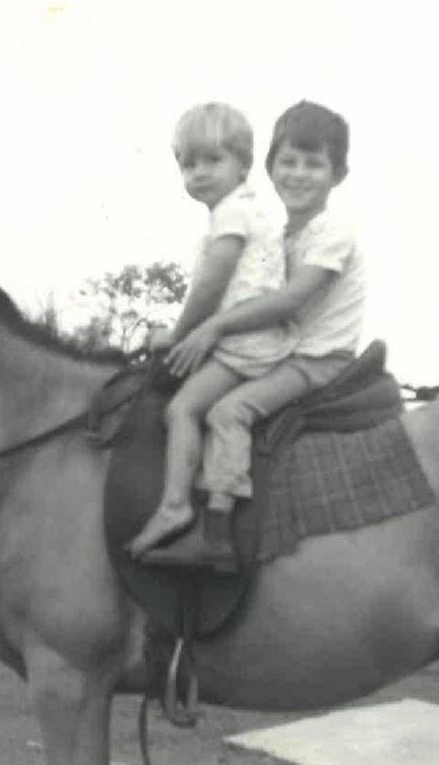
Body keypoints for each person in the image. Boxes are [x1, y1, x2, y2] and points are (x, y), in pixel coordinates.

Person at [163, 99, 365, 534]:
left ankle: (218, 523)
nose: (298, 174)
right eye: (288, 162)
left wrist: (211, 327)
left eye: (314, 165)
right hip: (285, 350)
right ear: (269, 168)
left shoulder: (334, 232)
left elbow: (290, 301)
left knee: (228, 411)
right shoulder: (279, 233)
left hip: (315, 359)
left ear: (338, 175)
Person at [125, 103, 295, 562]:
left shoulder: (232, 215)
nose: (199, 173)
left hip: (245, 345)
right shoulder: (245, 211)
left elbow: (211, 284)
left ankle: (176, 506)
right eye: (188, 164)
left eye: (212, 160)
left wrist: (178, 336)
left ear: (243, 164)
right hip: (251, 339)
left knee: (181, 409)